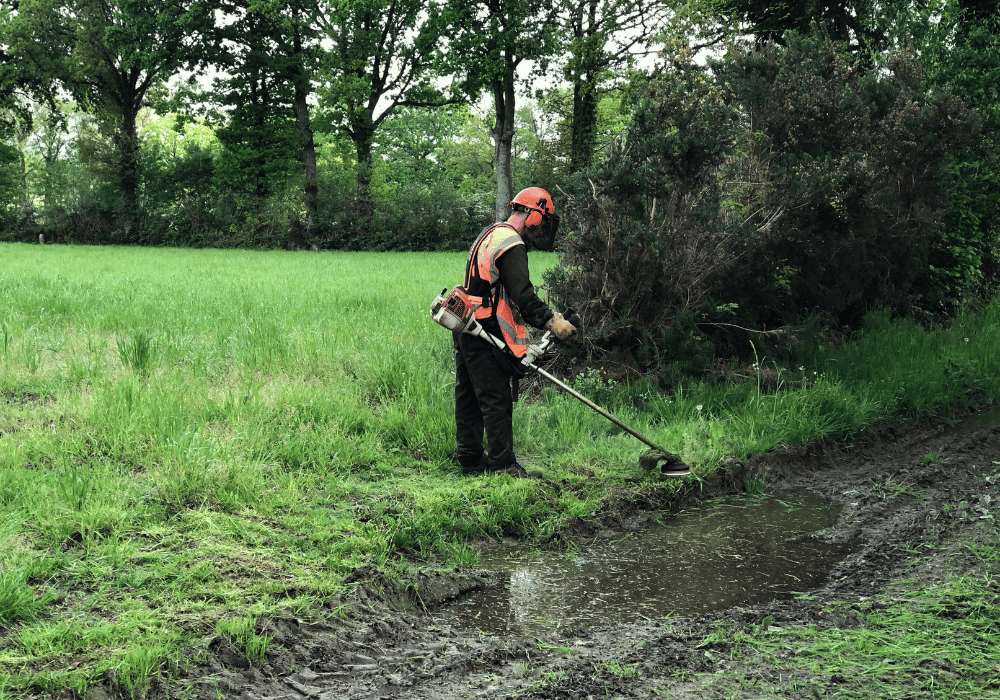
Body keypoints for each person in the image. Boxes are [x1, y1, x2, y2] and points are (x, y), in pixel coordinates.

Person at [454, 187, 577, 477]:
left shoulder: (492, 232)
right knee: (495, 397)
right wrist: (552, 321)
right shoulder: (512, 243)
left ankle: (470, 459)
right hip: (486, 328)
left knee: (470, 395)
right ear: (533, 216)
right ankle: (503, 465)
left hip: (465, 322)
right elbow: (522, 294)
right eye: (543, 222)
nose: (542, 230)